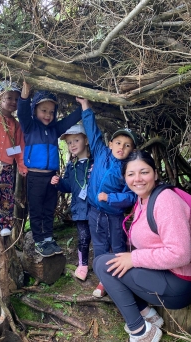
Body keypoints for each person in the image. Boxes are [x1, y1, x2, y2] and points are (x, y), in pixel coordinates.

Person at [93, 150, 191, 342]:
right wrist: (132, 258)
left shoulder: (166, 201)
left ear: (155, 173)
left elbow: (179, 253)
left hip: (181, 284)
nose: (138, 179)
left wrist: (134, 258)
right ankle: (149, 316)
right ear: (125, 178)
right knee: (106, 262)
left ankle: (140, 331)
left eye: (144, 172)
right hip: (164, 276)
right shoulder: (144, 200)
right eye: (131, 174)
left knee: (105, 265)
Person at [76, 97, 137, 297]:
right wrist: (86, 107)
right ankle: (104, 280)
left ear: (132, 150)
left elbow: (131, 197)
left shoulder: (129, 168)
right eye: (118, 142)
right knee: (100, 244)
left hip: (114, 215)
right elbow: (92, 132)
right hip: (95, 211)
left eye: (127, 145)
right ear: (110, 144)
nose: (121, 147)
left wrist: (110, 198)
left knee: (118, 245)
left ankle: (120, 280)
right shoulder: (101, 152)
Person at [17, 82, 82, 257]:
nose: (48, 115)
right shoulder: (29, 127)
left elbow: (70, 120)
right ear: (35, 111)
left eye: (51, 112)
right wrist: (24, 97)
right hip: (35, 177)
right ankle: (39, 240)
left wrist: (83, 106)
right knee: (36, 209)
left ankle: (48, 238)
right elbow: (22, 112)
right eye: (43, 110)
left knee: (49, 208)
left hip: (52, 177)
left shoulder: (55, 129)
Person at [51, 124, 93, 281]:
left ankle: (104, 264)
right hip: (80, 208)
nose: (72, 145)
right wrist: (58, 183)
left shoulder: (95, 162)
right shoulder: (71, 166)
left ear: (87, 141)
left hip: (96, 207)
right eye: (69, 142)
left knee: (100, 236)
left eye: (76, 140)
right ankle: (82, 265)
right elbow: (68, 187)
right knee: (83, 236)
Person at [0, 80, 27, 236]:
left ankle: (5, 224)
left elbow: (19, 148)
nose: (13, 102)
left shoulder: (16, 125)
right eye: (9, 97)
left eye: (16, 99)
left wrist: (22, 166)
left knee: (6, 196)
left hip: (6, 166)